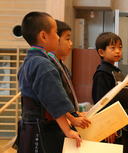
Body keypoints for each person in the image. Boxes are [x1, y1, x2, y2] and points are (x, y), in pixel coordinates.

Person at [17, 12, 82, 152]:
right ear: (44, 36)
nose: (58, 37)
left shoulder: (27, 62)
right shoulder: (42, 64)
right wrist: (68, 130)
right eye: (56, 33)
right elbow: (55, 101)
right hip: (42, 130)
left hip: (29, 127)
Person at [92, 32, 128, 153]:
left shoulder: (116, 70)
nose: (118, 51)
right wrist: (108, 127)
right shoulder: (102, 73)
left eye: (120, 47)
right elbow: (101, 102)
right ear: (101, 52)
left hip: (125, 121)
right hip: (114, 126)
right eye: (113, 48)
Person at [48, 20, 90, 129]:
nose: (71, 43)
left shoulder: (63, 67)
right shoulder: (49, 65)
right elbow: (54, 100)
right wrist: (71, 118)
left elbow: (66, 97)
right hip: (57, 123)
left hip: (68, 119)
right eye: (67, 39)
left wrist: (76, 114)